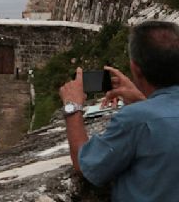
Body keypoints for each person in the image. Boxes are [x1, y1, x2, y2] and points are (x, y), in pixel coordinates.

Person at [59, 20, 179, 201]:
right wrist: (142, 100)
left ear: (135, 68)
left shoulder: (136, 119)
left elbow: (86, 166)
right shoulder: (143, 116)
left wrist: (72, 107)